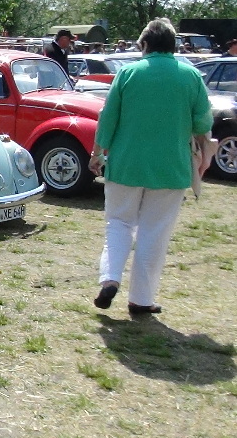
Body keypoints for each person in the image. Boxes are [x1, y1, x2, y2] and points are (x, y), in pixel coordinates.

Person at [88, 18, 213, 315]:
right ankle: (142, 299)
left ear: (144, 44)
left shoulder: (128, 73)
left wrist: (97, 153)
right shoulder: (191, 76)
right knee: (154, 232)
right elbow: (202, 123)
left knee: (118, 223)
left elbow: (108, 117)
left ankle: (110, 278)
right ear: (173, 45)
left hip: (126, 163)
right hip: (171, 167)